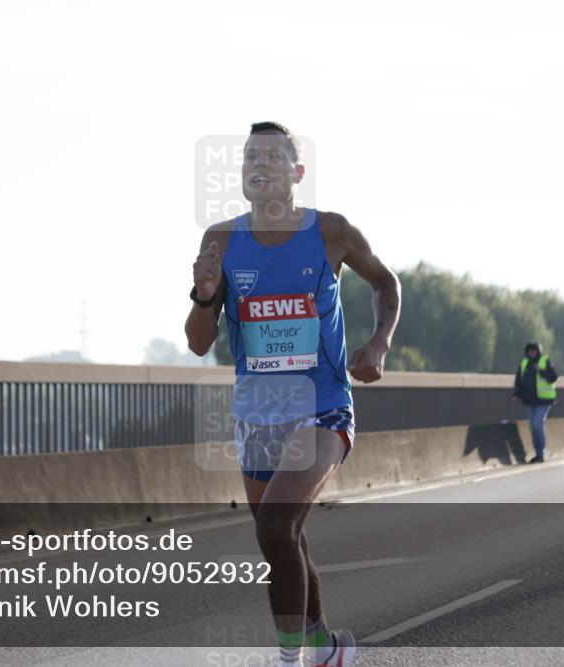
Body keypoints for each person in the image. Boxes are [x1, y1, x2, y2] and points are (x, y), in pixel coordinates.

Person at [185, 122, 400, 667]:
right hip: (257, 415)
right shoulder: (220, 240)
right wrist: (205, 296)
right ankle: (326, 647)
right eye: (249, 157)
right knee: (284, 539)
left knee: (276, 526)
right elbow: (199, 342)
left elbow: (386, 282)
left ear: (297, 173)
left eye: (271, 157)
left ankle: (291, 660)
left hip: (322, 408)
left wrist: (378, 342)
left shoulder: (330, 231)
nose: (258, 165)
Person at [512, 341, 559, 463]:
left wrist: (541, 371)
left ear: (538, 352)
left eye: (534, 351)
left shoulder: (545, 361)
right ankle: (538, 453)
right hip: (529, 401)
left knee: (538, 424)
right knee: (533, 427)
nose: (532, 353)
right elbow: (519, 381)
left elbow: (554, 377)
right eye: (530, 351)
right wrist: (516, 395)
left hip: (544, 400)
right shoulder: (524, 363)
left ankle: (541, 452)